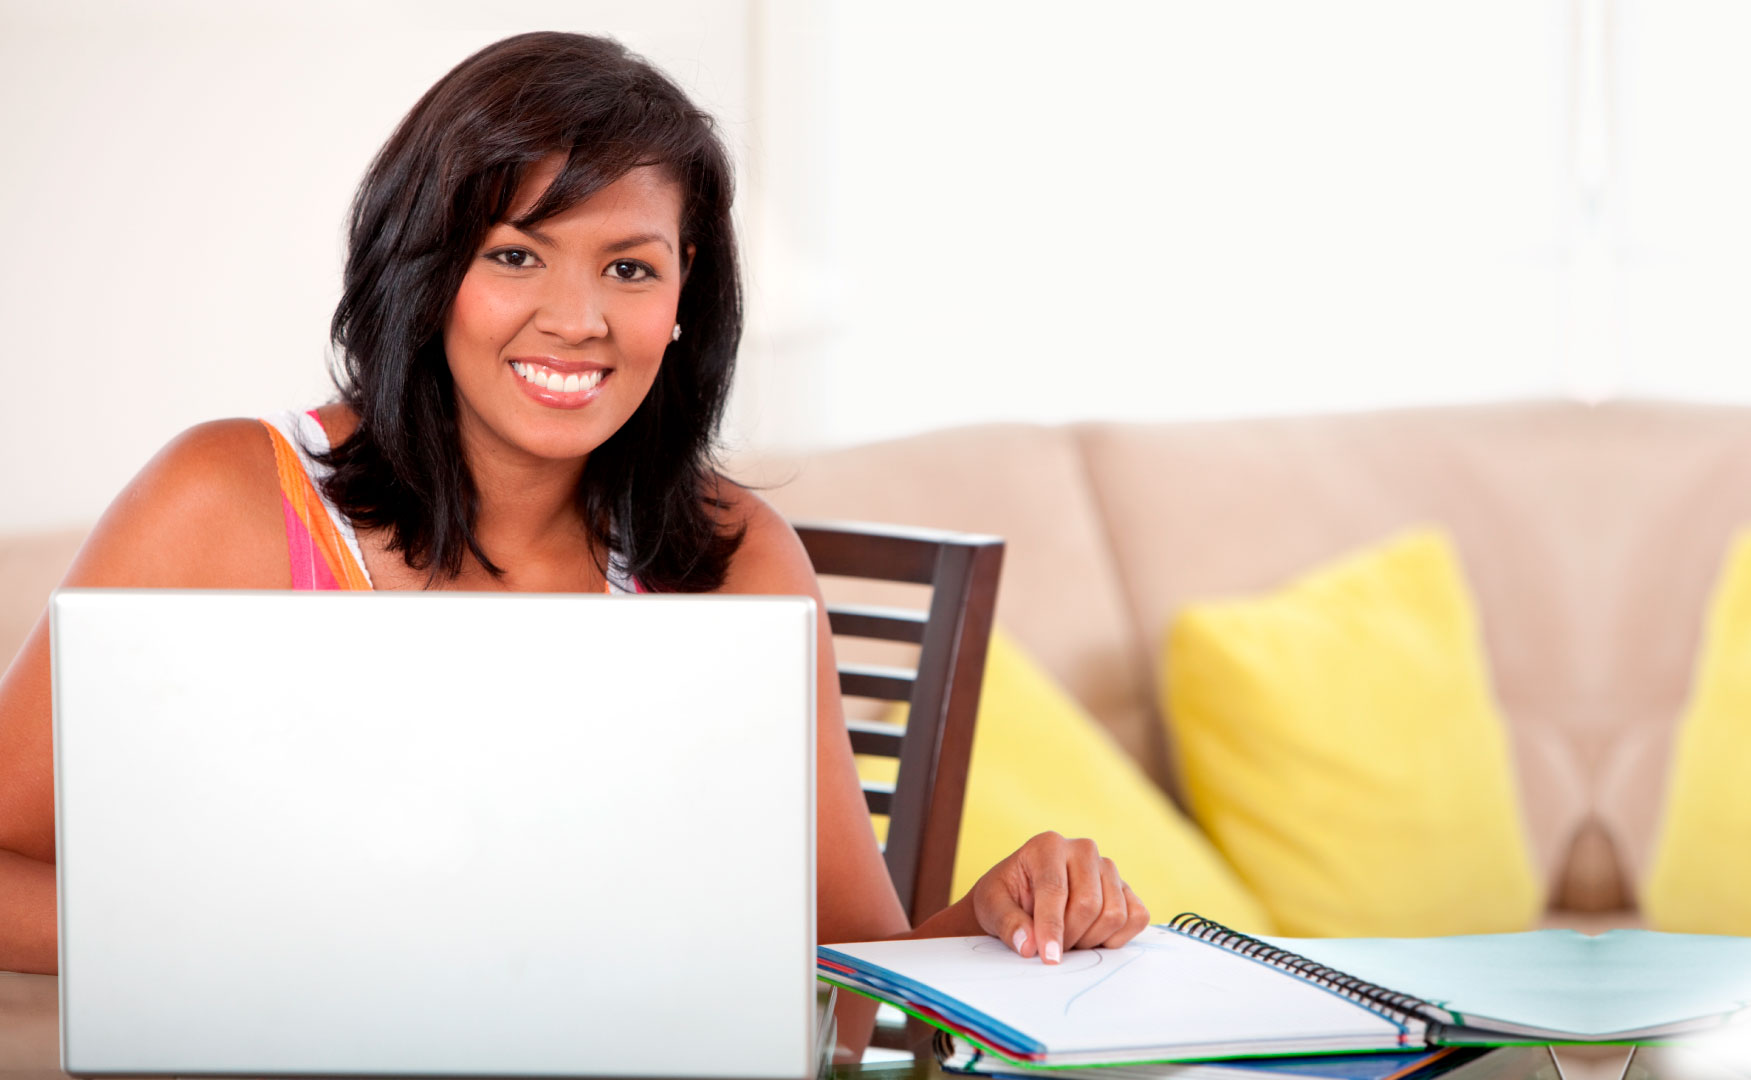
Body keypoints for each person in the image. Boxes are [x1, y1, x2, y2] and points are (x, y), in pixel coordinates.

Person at [0, 30, 1149, 993]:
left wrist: (999, 916)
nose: (576, 318)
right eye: (516, 255)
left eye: (630, 269)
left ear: (685, 295)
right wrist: (276, 937)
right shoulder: (226, 498)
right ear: (428, 271)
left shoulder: (734, 555)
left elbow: (848, 992)